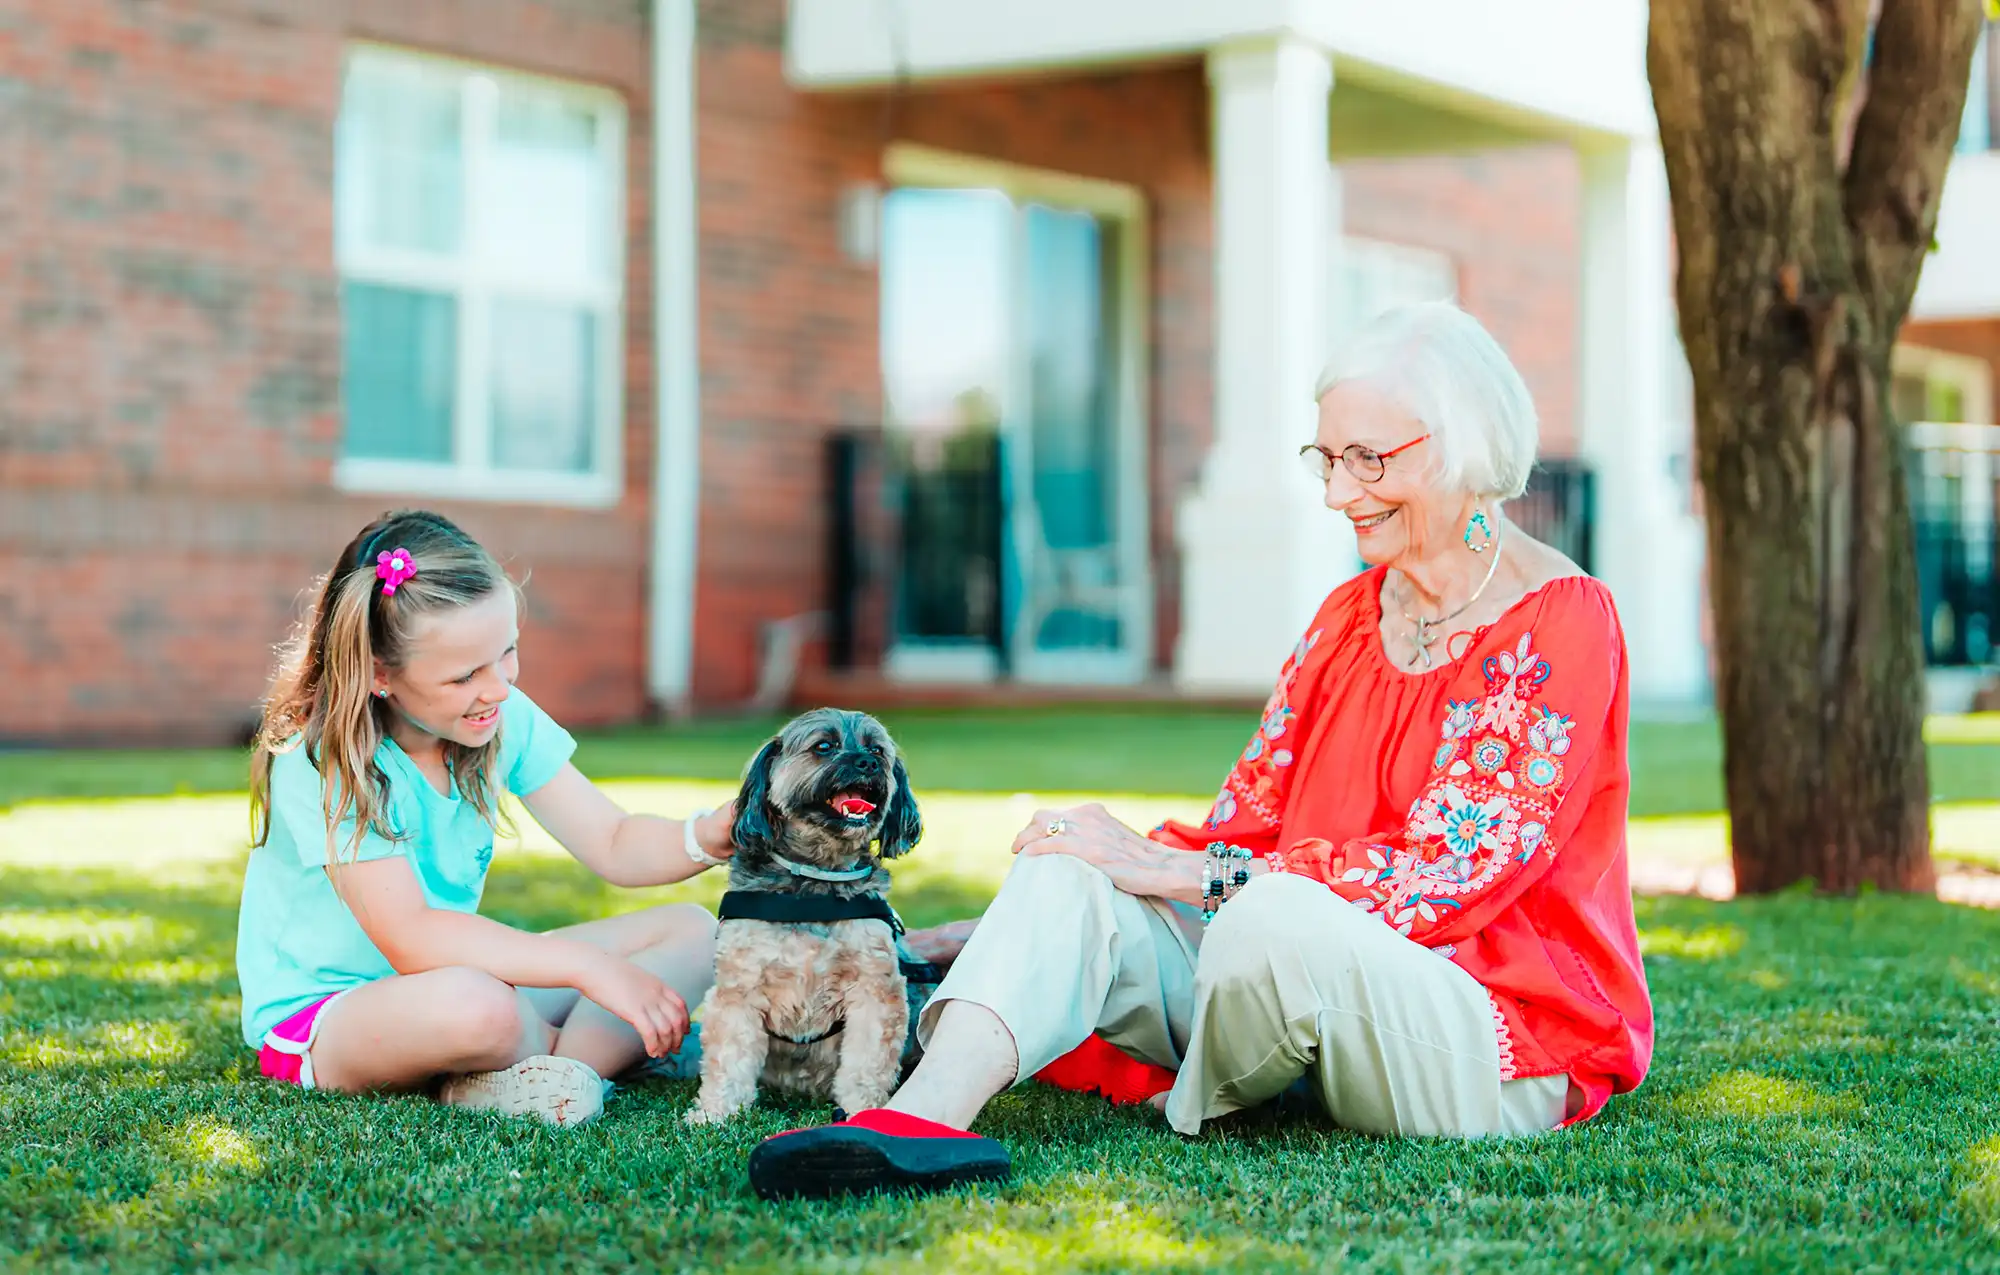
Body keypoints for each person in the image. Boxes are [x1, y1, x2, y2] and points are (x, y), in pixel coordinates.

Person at [745, 301, 1654, 1199]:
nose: (1339, 493)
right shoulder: (1348, 618)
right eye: (1328, 458)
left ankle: (1175, 1052)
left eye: (1369, 460)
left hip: (1491, 1036)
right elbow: (1241, 833)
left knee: (1268, 911)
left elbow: (1446, 877)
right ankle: (918, 1118)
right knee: (1076, 861)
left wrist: (1181, 875)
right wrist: (1039, 911)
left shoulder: (1561, 621)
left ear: (1464, 448)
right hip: (1309, 990)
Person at [235, 509, 733, 1127]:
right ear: (379, 676)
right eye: (466, 674)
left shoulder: (497, 718)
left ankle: (555, 1075)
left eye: (507, 654)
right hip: (331, 1015)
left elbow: (614, 840)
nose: (498, 687)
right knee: (481, 1007)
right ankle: (602, 1053)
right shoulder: (324, 760)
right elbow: (412, 937)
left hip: (462, 977)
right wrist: (592, 971)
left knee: (693, 931)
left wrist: (712, 833)